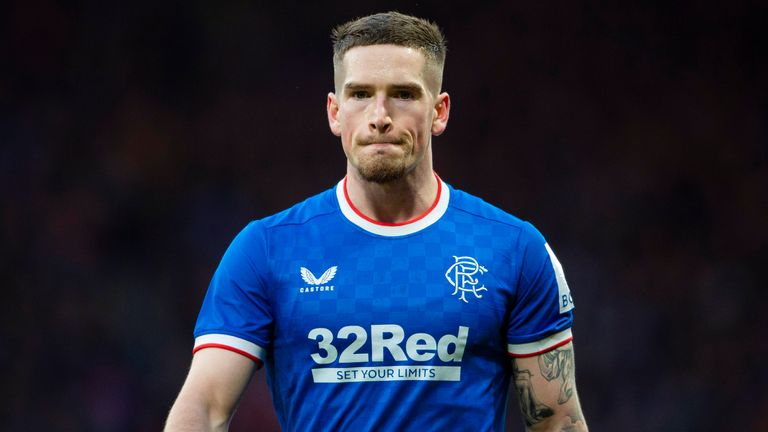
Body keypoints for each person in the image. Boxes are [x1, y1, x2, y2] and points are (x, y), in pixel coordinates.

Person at [165, 11, 588, 432]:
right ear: (335, 112)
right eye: (360, 94)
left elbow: (558, 422)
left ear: (439, 112)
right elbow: (204, 408)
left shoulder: (514, 249)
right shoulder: (266, 249)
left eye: (403, 94)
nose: (380, 114)